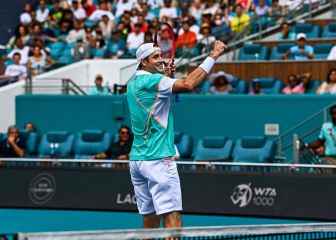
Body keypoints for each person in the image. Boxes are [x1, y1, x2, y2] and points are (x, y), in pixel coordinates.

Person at [126, 40, 226, 229]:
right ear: (143, 62)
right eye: (155, 57)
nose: (161, 59)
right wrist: (214, 55)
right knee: (173, 218)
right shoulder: (153, 81)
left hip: (138, 161)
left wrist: (167, 76)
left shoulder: (132, 84)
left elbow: (159, 100)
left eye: (160, 55)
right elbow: (189, 84)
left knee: (151, 219)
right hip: (159, 161)